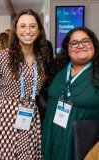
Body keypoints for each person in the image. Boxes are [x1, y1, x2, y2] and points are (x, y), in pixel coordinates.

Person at [0, 9, 52, 159]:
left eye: (32, 26)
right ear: (15, 31)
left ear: (39, 31)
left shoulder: (42, 59)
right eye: (22, 26)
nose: (27, 31)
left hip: (30, 114)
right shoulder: (2, 56)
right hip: (5, 116)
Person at [42, 26, 99, 160]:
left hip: (83, 146)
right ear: (67, 48)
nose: (80, 46)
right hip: (52, 139)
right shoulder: (57, 69)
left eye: (85, 41)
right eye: (74, 43)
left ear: (93, 44)